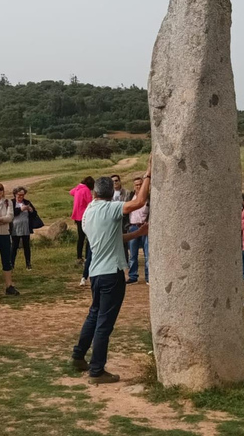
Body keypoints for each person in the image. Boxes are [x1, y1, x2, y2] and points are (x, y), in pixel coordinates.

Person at [71, 160, 152, 385]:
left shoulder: (89, 212)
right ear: (110, 194)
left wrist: (137, 234)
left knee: (94, 314)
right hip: (112, 273)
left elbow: (110, 238)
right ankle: (96, 370)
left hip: (96, 272)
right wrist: (148, 175)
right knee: (104, 323)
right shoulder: (111, 208)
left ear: (95, 192)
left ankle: (79, 355)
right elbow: (140, 201)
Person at [126, 176, 150, 285]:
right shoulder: (130, 197)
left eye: (140, 184)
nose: (139, 186)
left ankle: (148, 276)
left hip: (145, 227)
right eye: (136, 185)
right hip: (133, 226)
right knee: (133, 254)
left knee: (147, 253)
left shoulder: (149, 198)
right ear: (134, 186)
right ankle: (133, 276)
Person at [10, 186, 39, 271]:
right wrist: (20, 209)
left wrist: (30, 210)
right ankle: (11, 264)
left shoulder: (27, 202)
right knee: (14, 246)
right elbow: (10, 213)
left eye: (23, 195)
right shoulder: (11, 202)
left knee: (27, 246)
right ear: (15, 194)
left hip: (25, 227)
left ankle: (28, 264)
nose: (21, 197)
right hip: (15, 228)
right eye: (19, 195)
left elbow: (35, 213)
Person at [70, 177, 94, 266]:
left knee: (80, 238)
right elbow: (90, 202)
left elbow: (71, 192)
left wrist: (78, 185)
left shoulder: (78, 188)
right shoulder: (86, 190)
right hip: (84, 216)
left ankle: (79, 257)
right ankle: (88, 256)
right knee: (89, 237)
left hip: (76, 216)